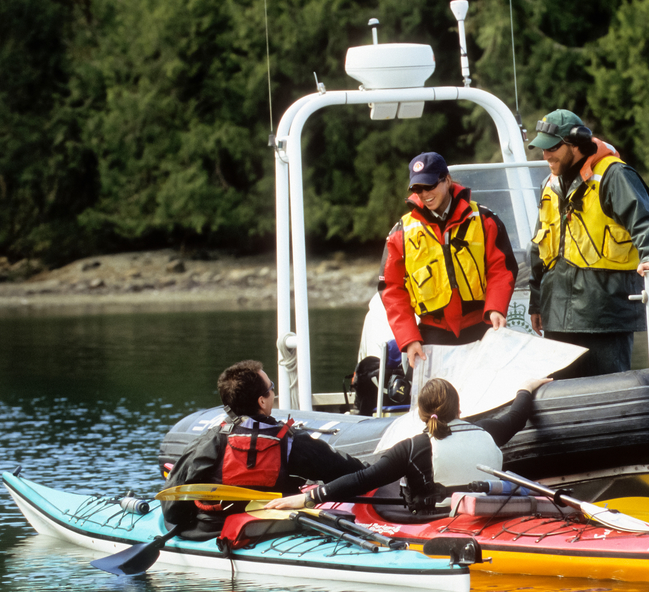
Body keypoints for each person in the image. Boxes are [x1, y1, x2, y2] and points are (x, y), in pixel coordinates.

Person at [265, 377, 551, 515]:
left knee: (380, 480)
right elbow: (516, 416)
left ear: (422, 412)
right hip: (490, 514)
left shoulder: (414, 447)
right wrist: (526, 388)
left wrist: (308, 498)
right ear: (459, 407)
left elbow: (363, 479)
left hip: (434, 519)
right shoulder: (489, 431)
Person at [527, 109, 649, 378]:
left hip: (605, 314)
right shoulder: (549, 184)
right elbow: (539, 249)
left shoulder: (615, 175)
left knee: (610, 388)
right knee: (559, 394)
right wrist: (536, 304)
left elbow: (645, 221)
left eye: (553, 148)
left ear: (577, 144)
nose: (546, 156)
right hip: (557, 314)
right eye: (542, 150)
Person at [161, 360, 366, 538]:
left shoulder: (208, 442)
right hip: (277, 530)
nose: (273, 393)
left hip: (213, 530)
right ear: (261, 401)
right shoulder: (294, 442)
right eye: (272, 388)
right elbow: (356, 474)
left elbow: (171, 510)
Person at [379, 152, 519, 370]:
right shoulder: (401, 232)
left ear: (447, 180)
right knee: (433, 402)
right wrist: (409, 338)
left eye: (430, 185)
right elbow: (391, 289)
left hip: (481, 326)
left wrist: (496, 308)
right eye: (418, 189)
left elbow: (501, 269)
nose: (424, 194)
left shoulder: (484, 220)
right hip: (432, 333)